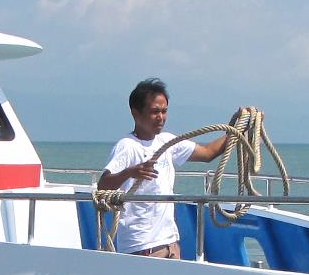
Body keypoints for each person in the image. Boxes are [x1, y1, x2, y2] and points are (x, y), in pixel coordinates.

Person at [98, 79, 246, 258]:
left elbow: (208, 153)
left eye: (164, 111)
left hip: (170, 244)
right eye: (154, 112)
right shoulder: (127, 146)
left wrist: (240, 127)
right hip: (142, 246)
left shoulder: (167, 141)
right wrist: (130, 172)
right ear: (136, 113)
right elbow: (103, 186)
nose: (161, 117)